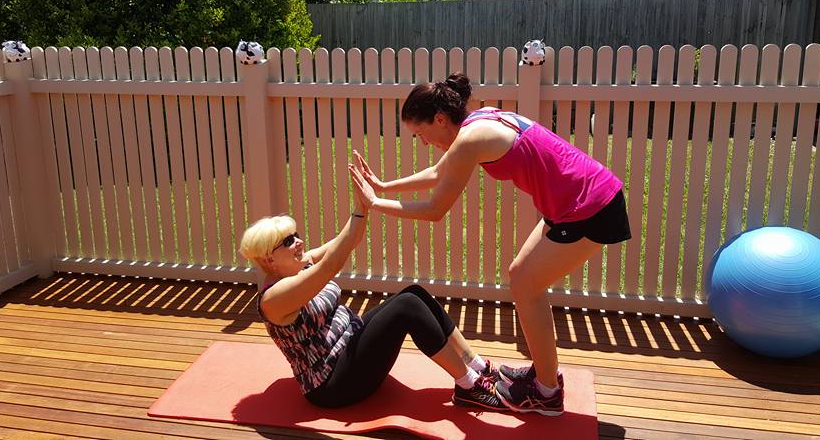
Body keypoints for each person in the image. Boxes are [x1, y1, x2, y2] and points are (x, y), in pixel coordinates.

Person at [349, 72, 631, 416]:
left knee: (527, 285)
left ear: (439, 119)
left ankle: (546, 392)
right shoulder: (479, 120)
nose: (422, 142)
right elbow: (441, 172)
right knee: (522, 277)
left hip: (589, 205)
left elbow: (435, 209)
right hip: (576, 198)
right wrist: (383, 185)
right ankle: (544, 377)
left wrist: (374, 204)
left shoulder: (471, 139)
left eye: (420, 134)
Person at [238, 169, 505, 411]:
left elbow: (347, 241)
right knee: (406, 308)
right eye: (288, 241)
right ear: (268, 259)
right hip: (334, 383)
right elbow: (330, 265)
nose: (299, 242)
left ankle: (477, 366)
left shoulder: (302, 265)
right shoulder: (274, 300)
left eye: (296, 235)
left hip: (352, 346)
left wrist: (362, 205)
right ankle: (469, 386)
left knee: (414, 292)